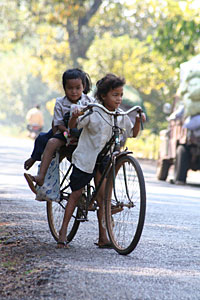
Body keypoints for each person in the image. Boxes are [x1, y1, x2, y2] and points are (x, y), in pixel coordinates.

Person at [57, 73, 146, 249]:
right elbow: (74, 126)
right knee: (75, 194)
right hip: (86, 158)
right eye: (115, 95)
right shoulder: (94, 111)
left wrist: (137, 121)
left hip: (104, 159)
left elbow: (133, 134)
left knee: (103, 197)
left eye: (121, 95)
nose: (119, 99)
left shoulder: (120, 115)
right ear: (103, 96)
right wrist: (75, 115)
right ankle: (62, 232)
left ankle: (103, 237)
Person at [24, 68, 94, 193]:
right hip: (65, 132)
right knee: (50, 142)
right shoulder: (60, 103)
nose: (74, 92)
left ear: (83, 86)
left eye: (77, 88)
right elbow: (58, 124)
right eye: (70, 88)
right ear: (64, 88)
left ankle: (99, 196)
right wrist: (68, 135)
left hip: (85, 135)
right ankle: (41, 176)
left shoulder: (90, 102)